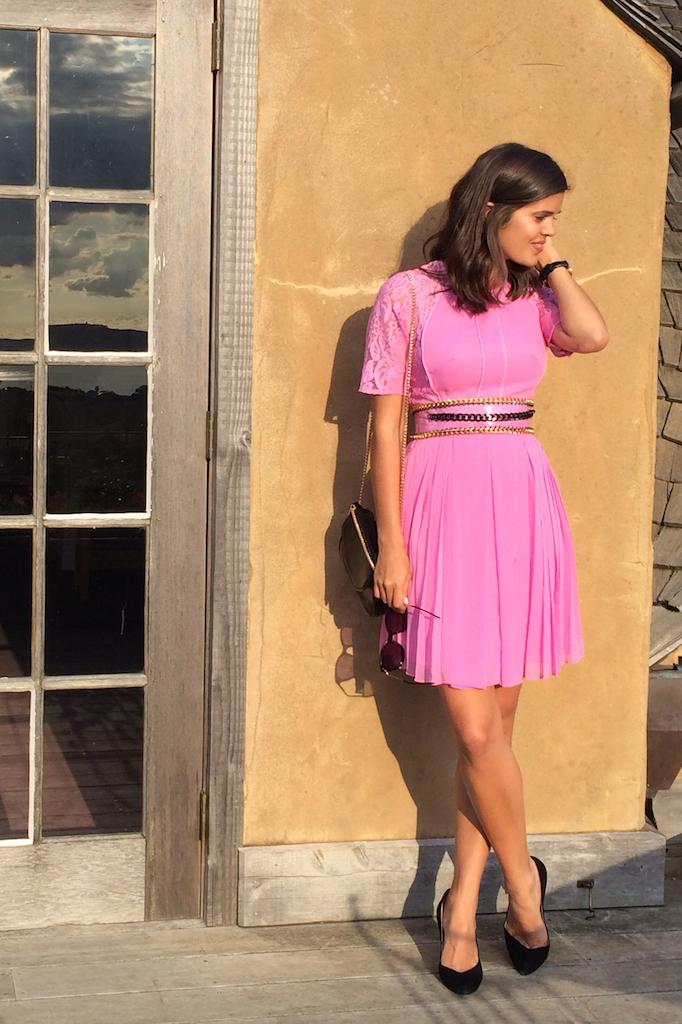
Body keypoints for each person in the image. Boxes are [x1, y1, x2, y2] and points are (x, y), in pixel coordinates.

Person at [358, 143, 608, 995]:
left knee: (494, 737)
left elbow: (592, 334)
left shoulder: (535, 295)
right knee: (474, 732)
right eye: (540, 217)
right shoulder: (410, 296)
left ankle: (463, 903)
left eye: (555, 222)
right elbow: (384, 426)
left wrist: (554, 260)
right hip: (439, 499)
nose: (549, 232)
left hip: (521, 498)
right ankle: (525, 888)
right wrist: (393, 542)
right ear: (490, 211)